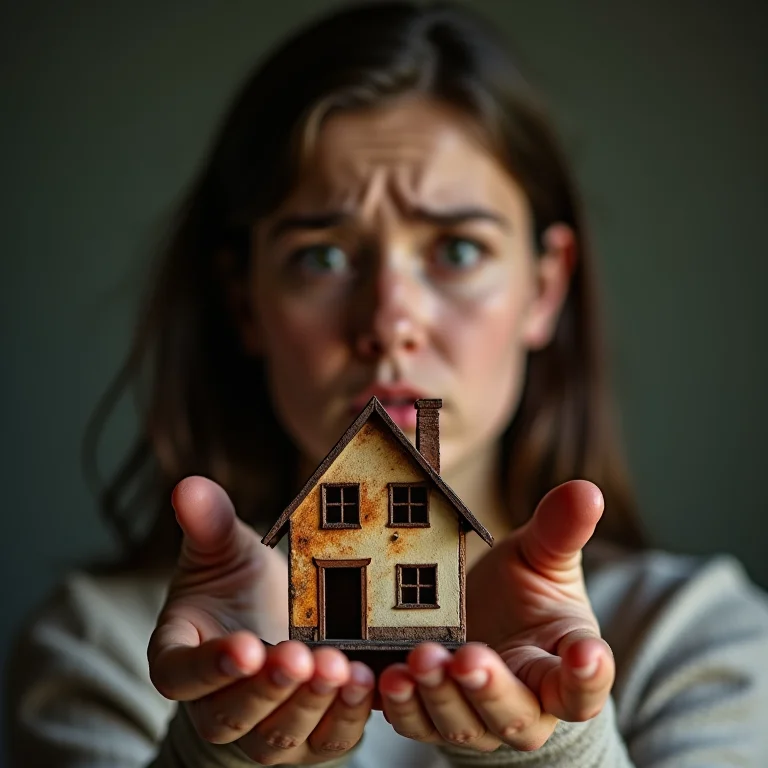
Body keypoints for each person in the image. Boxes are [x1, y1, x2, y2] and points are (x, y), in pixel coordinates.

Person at [6, 2, 768, 766]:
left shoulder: (701, 638)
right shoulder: (103, 647)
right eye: (322, 257)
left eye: (458, 250)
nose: (389, 321)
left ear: (544, 289)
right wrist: (220, 754)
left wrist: (553, 745)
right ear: (245, 303)